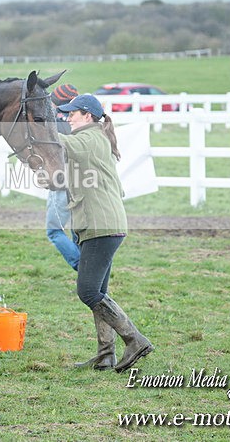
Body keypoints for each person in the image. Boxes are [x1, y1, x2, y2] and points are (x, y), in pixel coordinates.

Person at [56, 93, 153, 373]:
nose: (67, 117)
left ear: (87, 116)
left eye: (71, 113)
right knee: (99, 291)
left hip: (101, 226)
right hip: (102, 225)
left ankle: (134, 339)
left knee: (87, 292)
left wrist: (39, 124)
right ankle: (105, 355)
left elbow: (60, 142)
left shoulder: (89, 139)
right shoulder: (95, 137)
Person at [46, 83, 80, 271]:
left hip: (60, 180)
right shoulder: (78, 119)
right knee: (77, 229)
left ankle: (81, 266)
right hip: (80, 179)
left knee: (54, 230)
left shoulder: (54, 120)